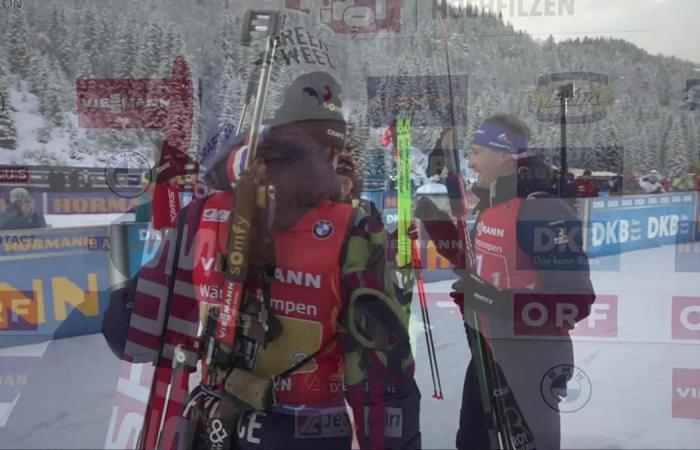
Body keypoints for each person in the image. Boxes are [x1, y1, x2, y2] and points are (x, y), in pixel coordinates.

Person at [103, 71, 419, 450]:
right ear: (333, 156)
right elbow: (382, 378)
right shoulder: (354, 229)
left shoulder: (204, 214)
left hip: (214, 425)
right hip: (309, 432)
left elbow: (129, 335)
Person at [416, 114, 596, 450]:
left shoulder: (542, 210)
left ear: (503, 155)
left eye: (475, 152)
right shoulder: (492, 207)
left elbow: (576, 301)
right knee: (471, 442)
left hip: (530, 363)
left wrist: (495, 302)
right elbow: (473, 263)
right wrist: (435, 222)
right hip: (487, 354)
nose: (470, 162)